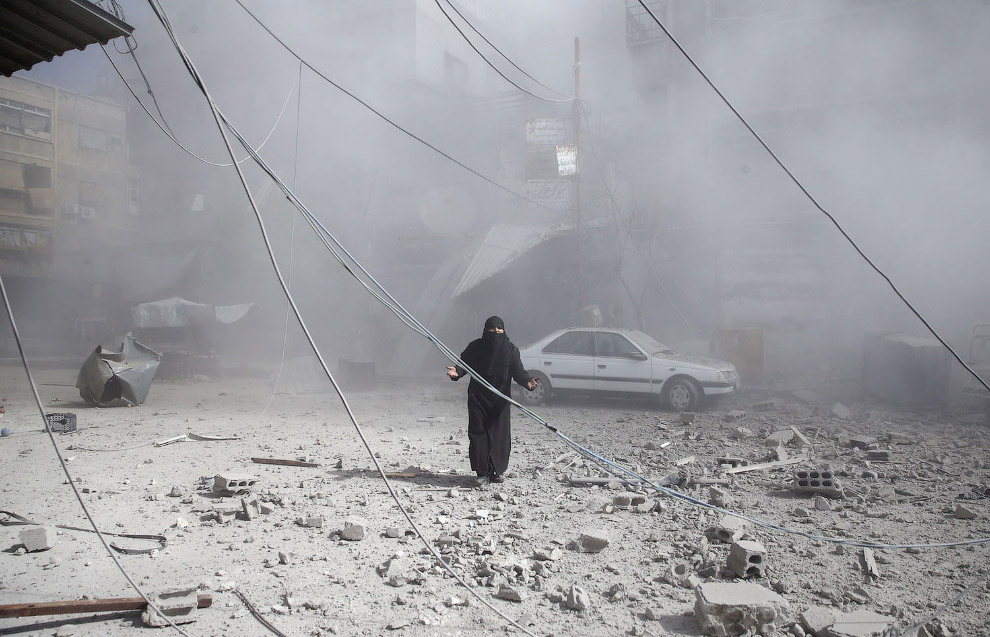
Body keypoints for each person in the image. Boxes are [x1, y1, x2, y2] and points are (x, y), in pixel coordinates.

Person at [446, 316, 538, 485]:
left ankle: (496, 471)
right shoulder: (475, 347)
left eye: (499, 329)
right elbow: (463, 365)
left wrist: (528, 382)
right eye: (492, 329)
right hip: (478, 398)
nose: (496, 332)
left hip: (500, 401)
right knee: (479, 434)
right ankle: (482, 473)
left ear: (504, 330)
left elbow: (518, 372)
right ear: (485, 330)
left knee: (499, 436)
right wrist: (456, 373)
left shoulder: (511, 350)